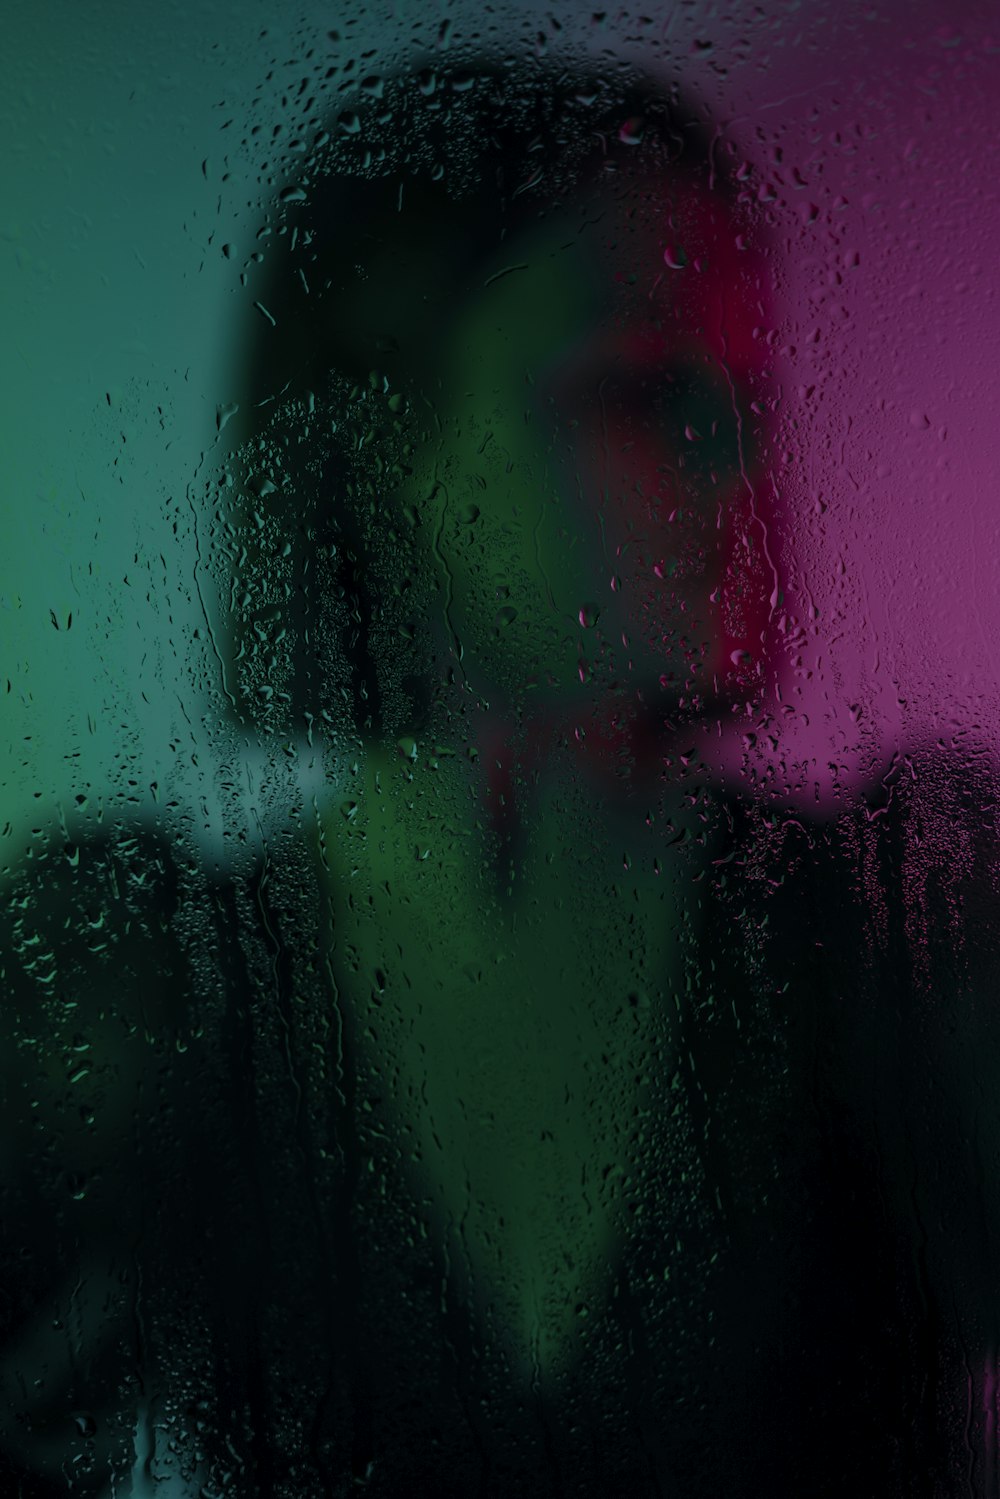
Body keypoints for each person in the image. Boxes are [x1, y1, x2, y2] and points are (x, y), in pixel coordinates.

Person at [0, 48, 994, 1499]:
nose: (739, 450)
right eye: (639, 384)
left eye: (747, 383)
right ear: (383, 450)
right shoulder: (143, 986)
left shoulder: (911, 926)